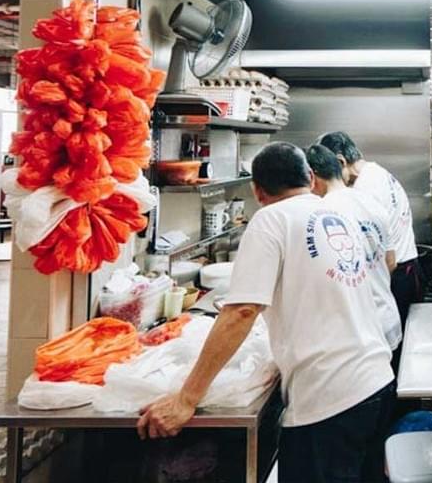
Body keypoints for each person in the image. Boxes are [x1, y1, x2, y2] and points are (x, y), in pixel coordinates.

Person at [137, 143, 394, 483]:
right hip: (376, 380)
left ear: (258, 192)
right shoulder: (336, 214)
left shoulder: (271, 219)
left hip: (330, 396)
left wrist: (186, 399)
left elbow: (242, 311)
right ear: (310, 177)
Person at [317, 131, 423, 327]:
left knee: (392, 349)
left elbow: (384, 256)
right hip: (407, 269)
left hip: (396, 275)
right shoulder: (377, 172)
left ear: (340, 162)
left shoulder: (365, 189)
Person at [306, 144, 402, 354]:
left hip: (358, 332)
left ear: (311, 178)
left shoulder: (320, 213)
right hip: (387, 320)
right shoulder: (372, 203)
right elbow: (391, 262)